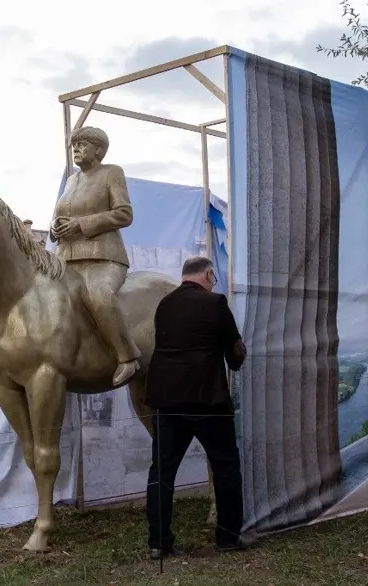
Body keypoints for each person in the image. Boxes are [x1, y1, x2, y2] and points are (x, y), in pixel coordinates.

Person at [143, 256, 250, 559]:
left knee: (161, 472)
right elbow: (236, 348)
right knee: (226, 467)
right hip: (207, 399)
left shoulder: (164, 305)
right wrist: (235, 362)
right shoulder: (215, 303)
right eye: (212, 277)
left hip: (165, 399)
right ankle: (228, 538)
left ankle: (158, 543)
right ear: (208, 274)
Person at [49, 126, 141, 387]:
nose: (75, 149)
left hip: (103, 258)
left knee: (97, 295)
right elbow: (63, 215)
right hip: (65, 258)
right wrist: (56, 227)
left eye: (82, 144)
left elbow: (124, 214)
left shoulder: (112, 173)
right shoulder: (71, 180)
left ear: (98, 149)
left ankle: (127, 356)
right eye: (74, 145)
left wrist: (80, 224)